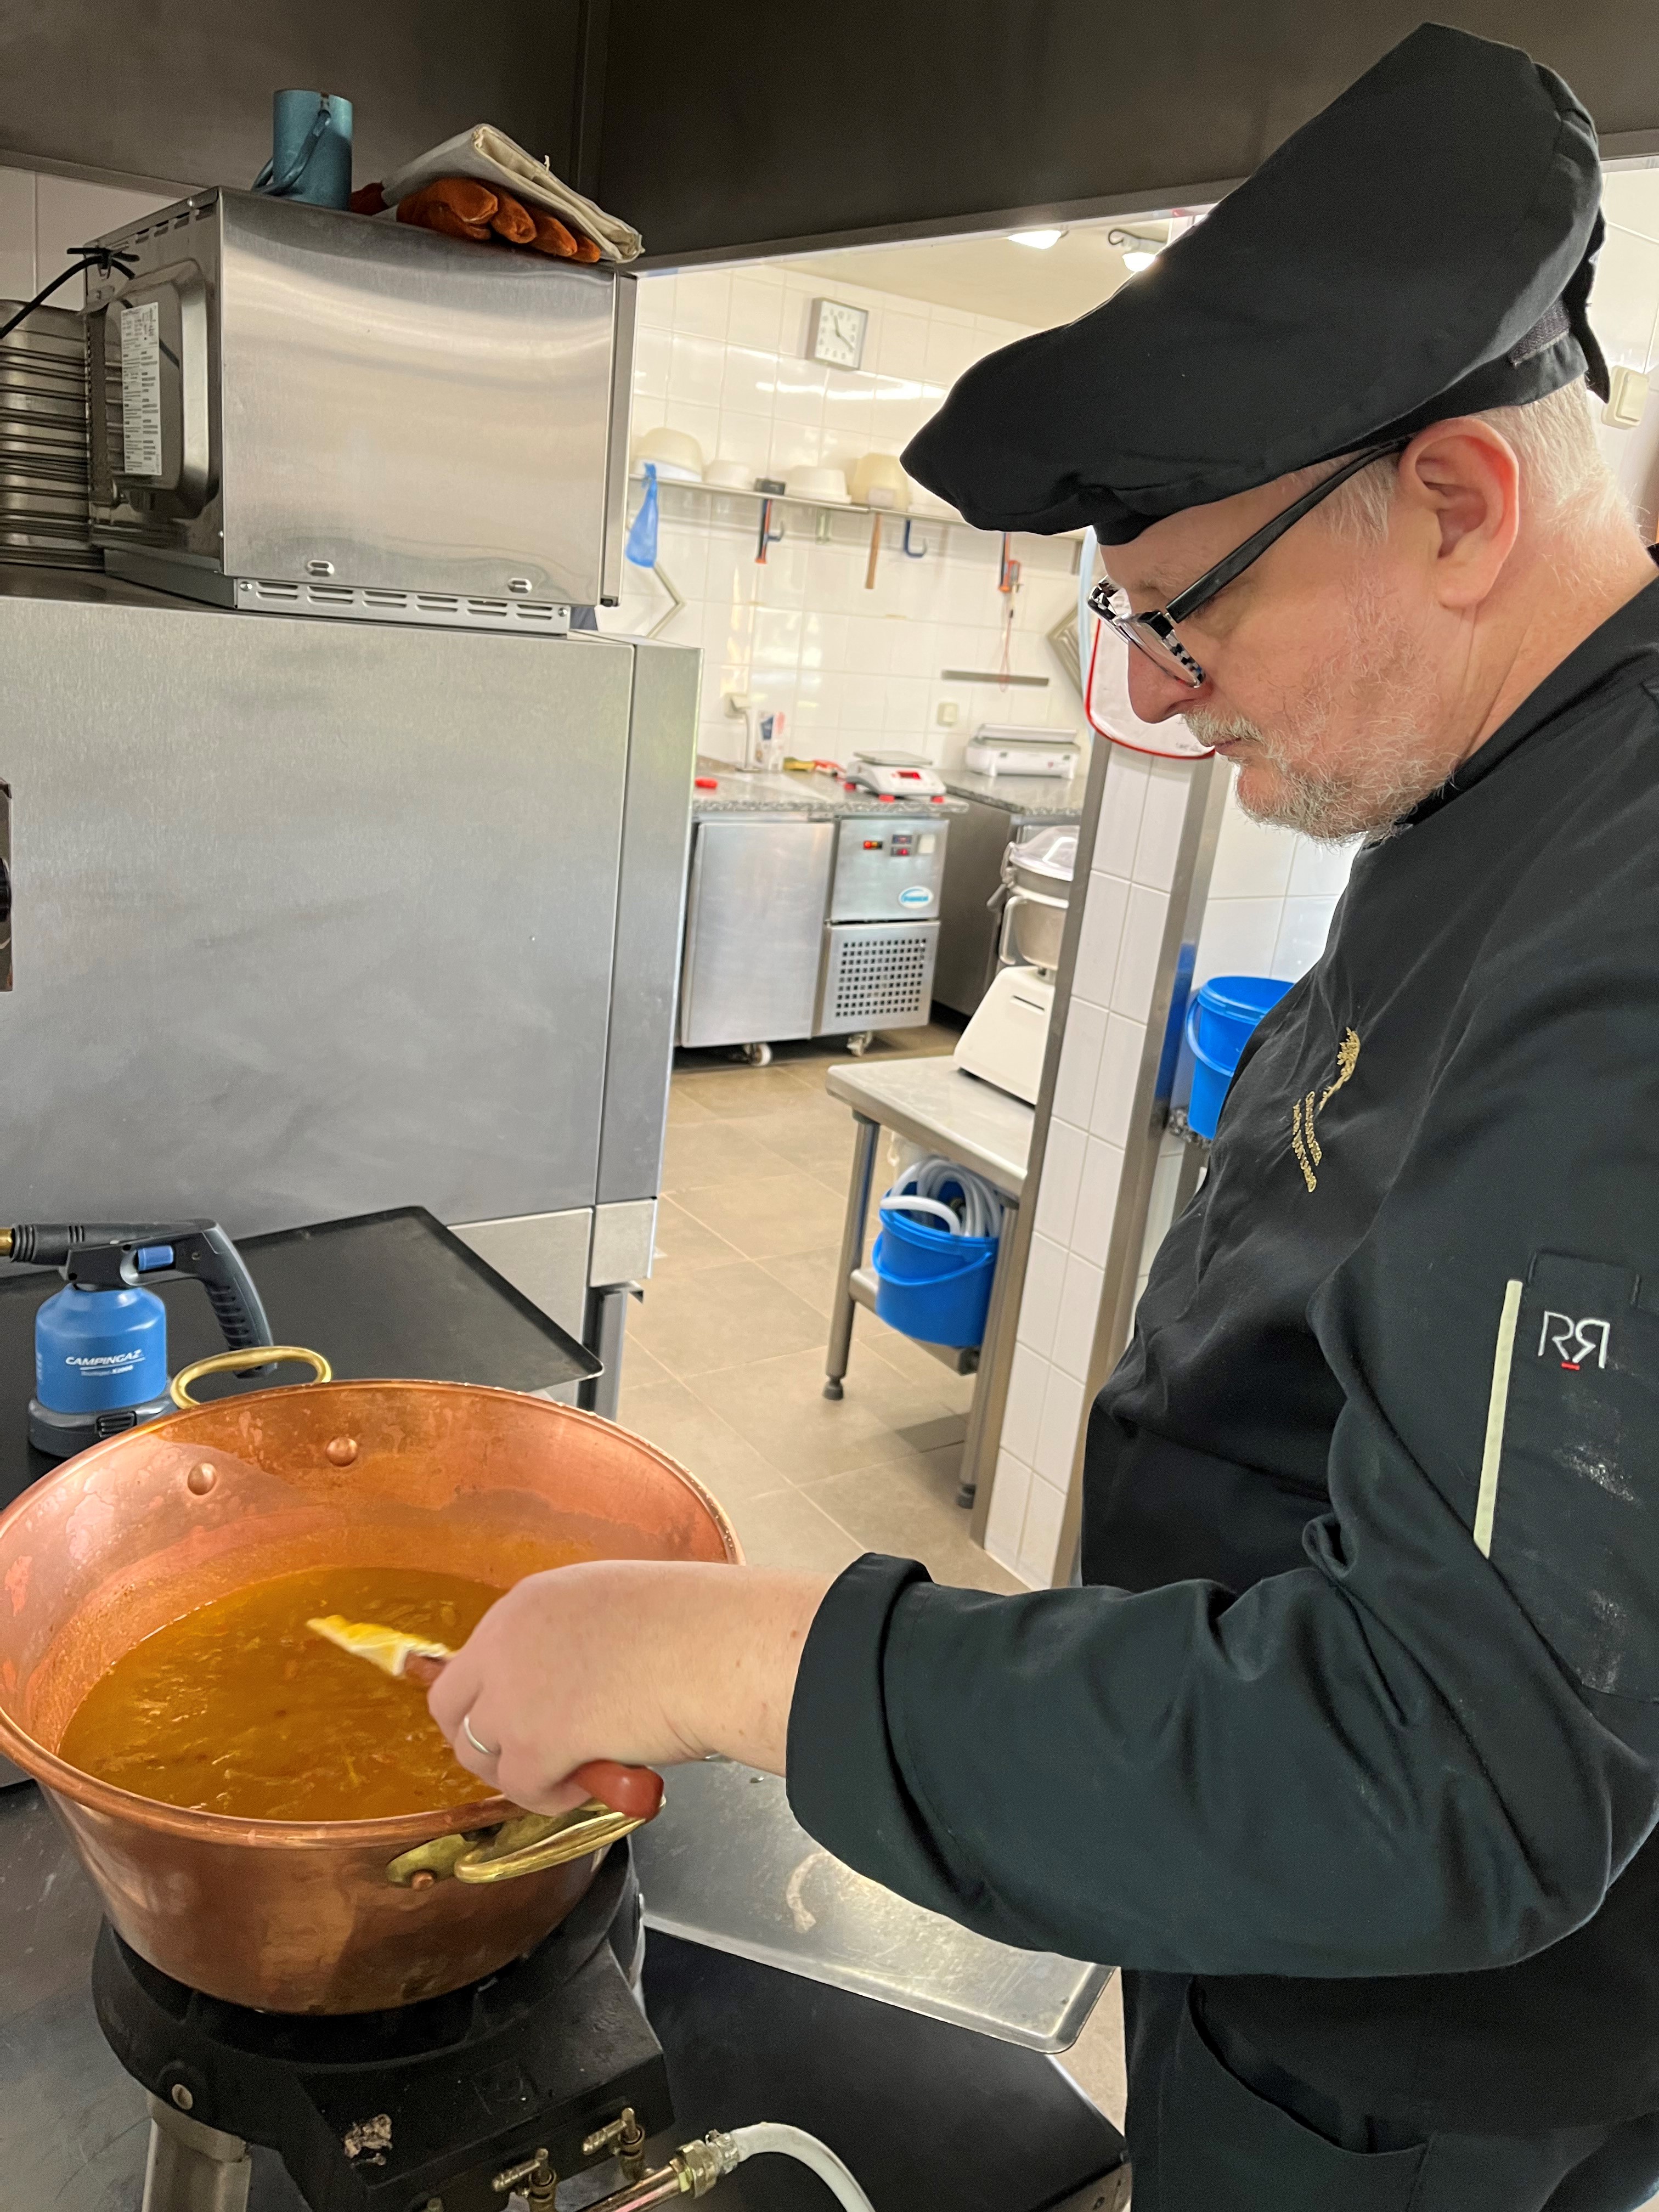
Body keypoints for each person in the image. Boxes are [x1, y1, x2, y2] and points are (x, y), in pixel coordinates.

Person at [430, 25, 1659, 2209]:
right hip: (1283, 1950)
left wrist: (742, 1655)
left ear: (1458, 506)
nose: (1168, 709)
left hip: (1414, 2071)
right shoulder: (1499, 787)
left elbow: (1448, 1767)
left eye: (1187, 624)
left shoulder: (1627, 926)